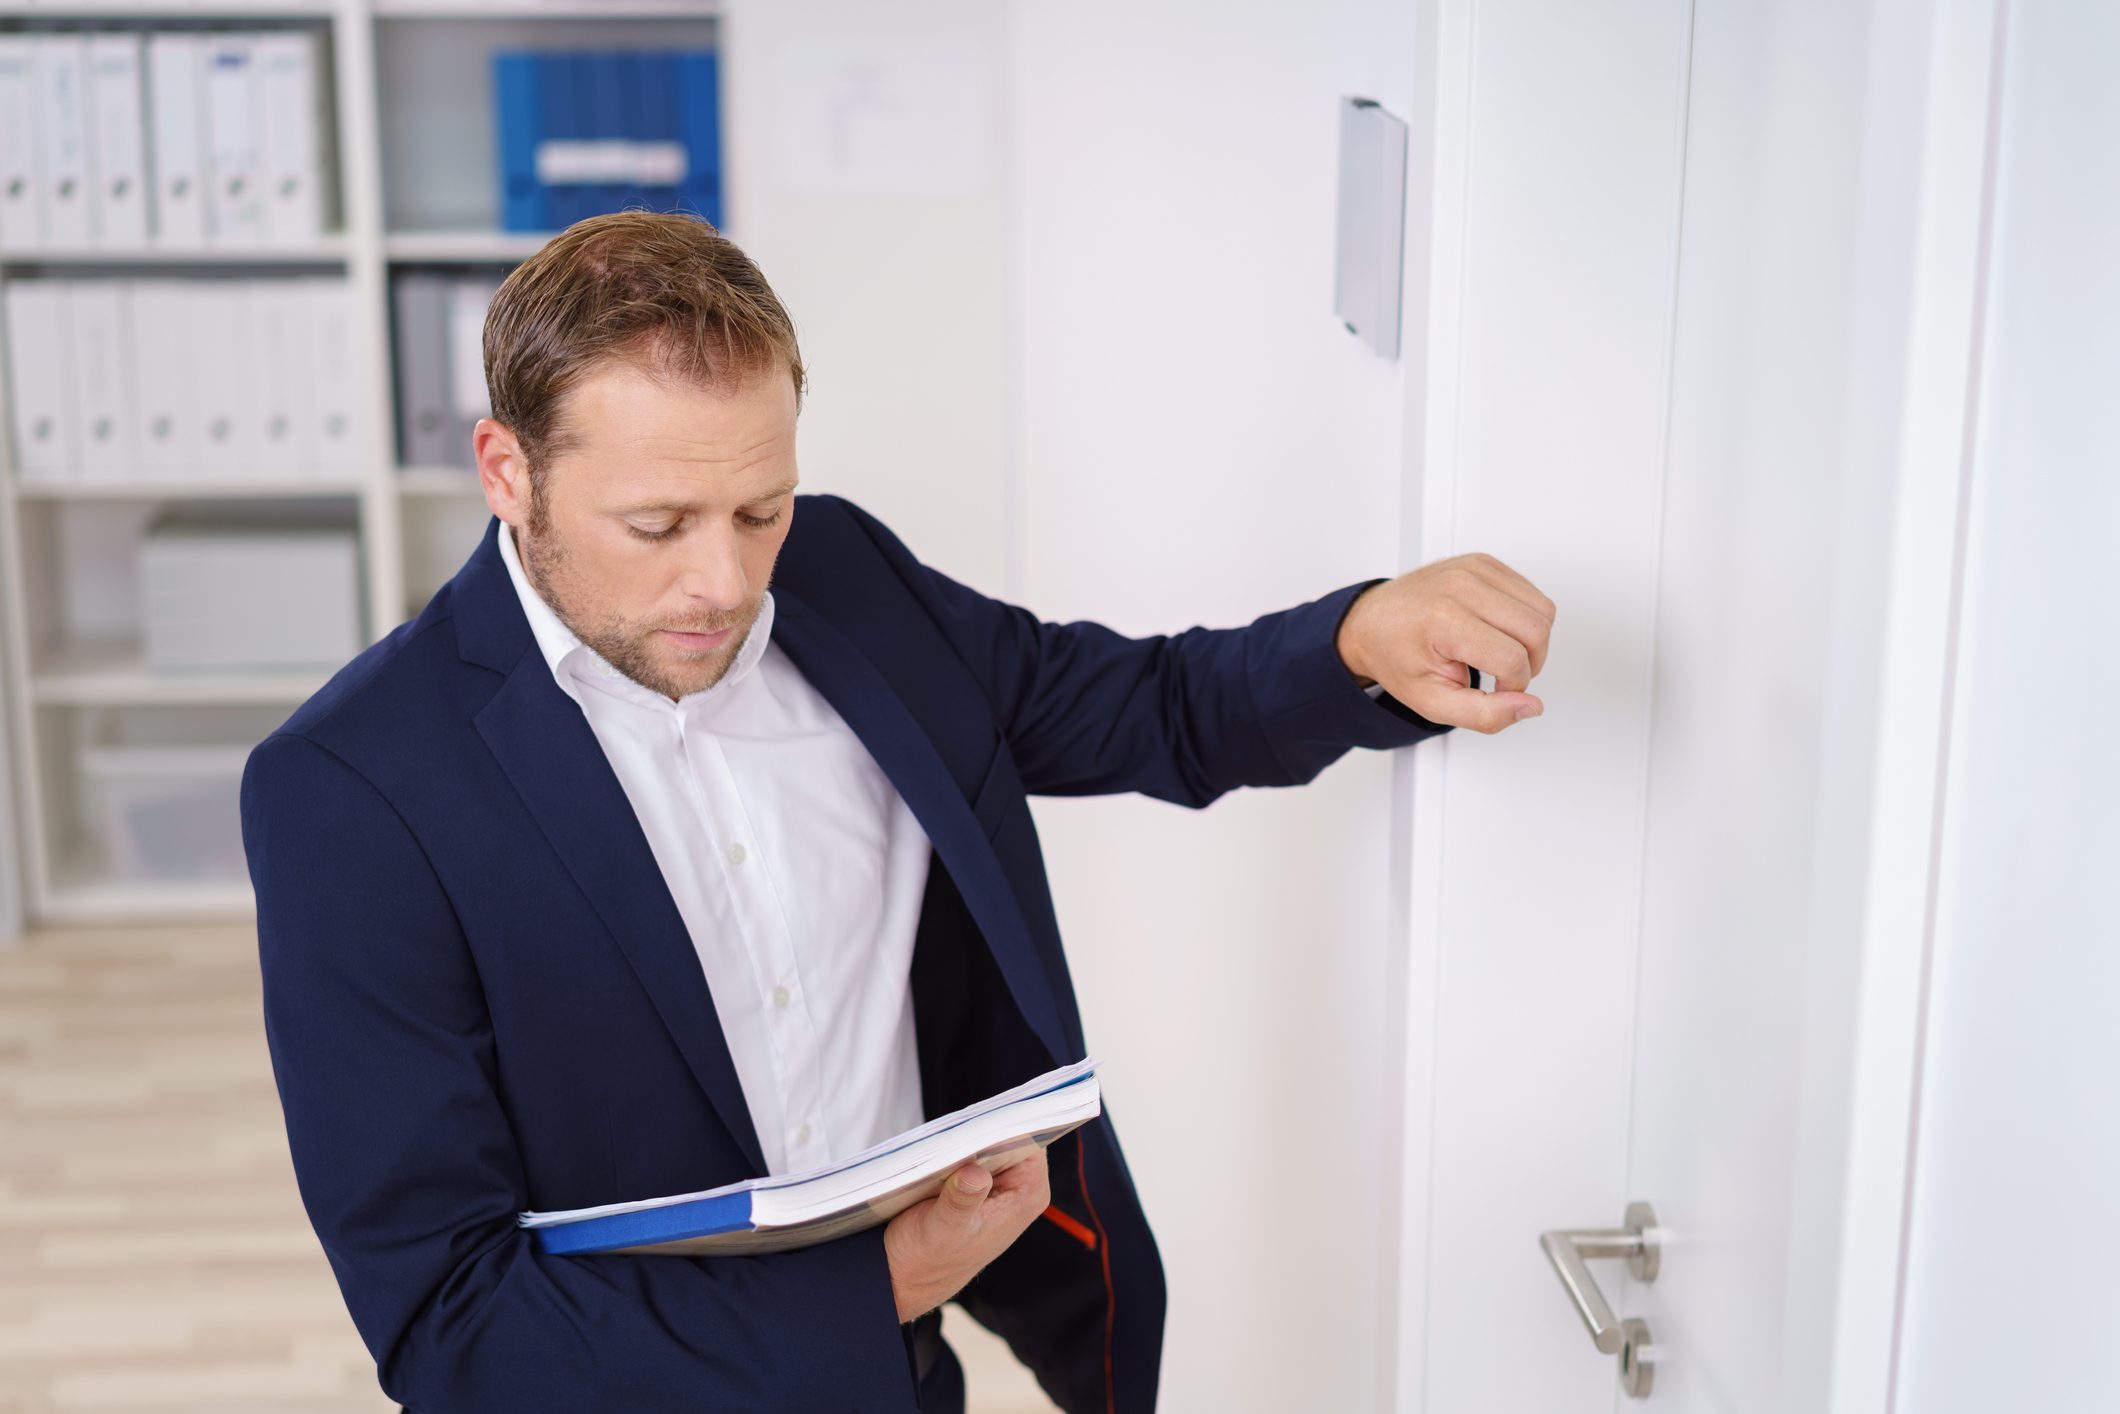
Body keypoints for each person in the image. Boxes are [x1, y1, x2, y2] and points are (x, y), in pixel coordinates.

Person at [241, 210, 1554, 1414]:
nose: (724, 577)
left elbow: (1144, 704)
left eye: (760, 507)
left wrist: (1357, 644)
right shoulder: (351, 795)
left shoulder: (844, 576)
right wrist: (877, 1287)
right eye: (657, 522)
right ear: (506, 470)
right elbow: (448, 1319)